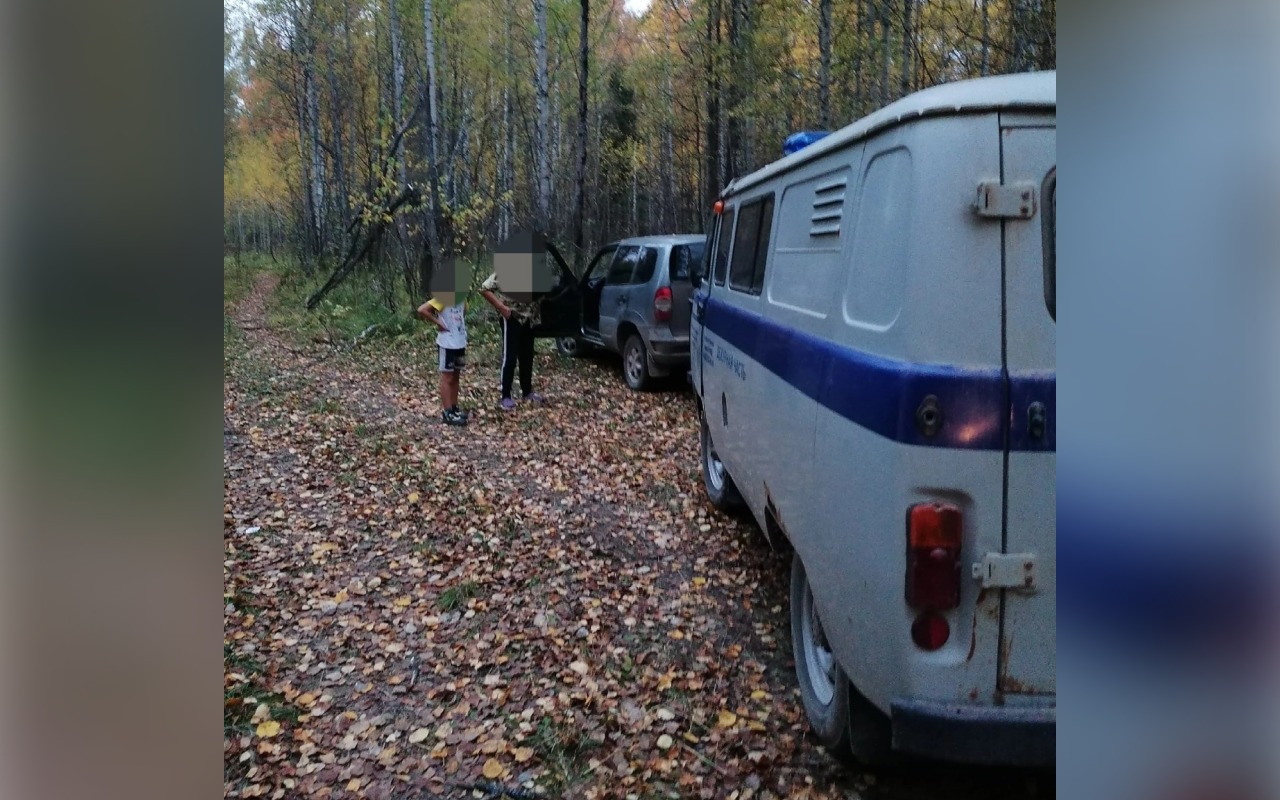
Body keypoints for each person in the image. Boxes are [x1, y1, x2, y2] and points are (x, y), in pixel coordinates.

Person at [478, 273, 544, 410]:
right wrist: (502, 308)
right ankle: (505, 396)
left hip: (529, 318)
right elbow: (484, 289)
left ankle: (527, 392)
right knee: (510, 357)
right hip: (512, 318)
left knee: (527, 356)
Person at [416, 294, 469, 426]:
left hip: (460, 341)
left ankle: (454, 407)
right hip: (447, 343)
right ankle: (447, 412)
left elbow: (464, 311)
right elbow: (422, 310)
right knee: (447, 376)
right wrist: (439, 323)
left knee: (456, 376)